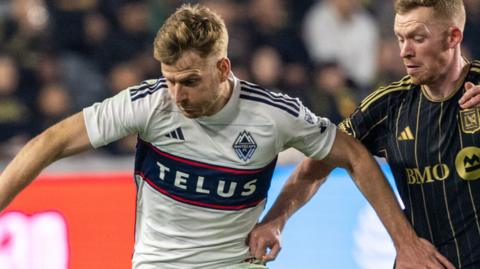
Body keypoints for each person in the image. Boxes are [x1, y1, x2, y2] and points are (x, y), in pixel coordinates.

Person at [0, 4, 448, 269]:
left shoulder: (274, 115)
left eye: (189, 81)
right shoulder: (148, 103)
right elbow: (49, 143)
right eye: (169, 79)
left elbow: (354, 156)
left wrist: (404, 242)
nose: (177, 94)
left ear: (223, 68)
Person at [250, 0, 480, 268]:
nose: (405, 51)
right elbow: (317, 165)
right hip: (421, 261)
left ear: (453, 37)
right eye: (400, 38)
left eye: (418, 39)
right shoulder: (389, 105)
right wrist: (276, 220)